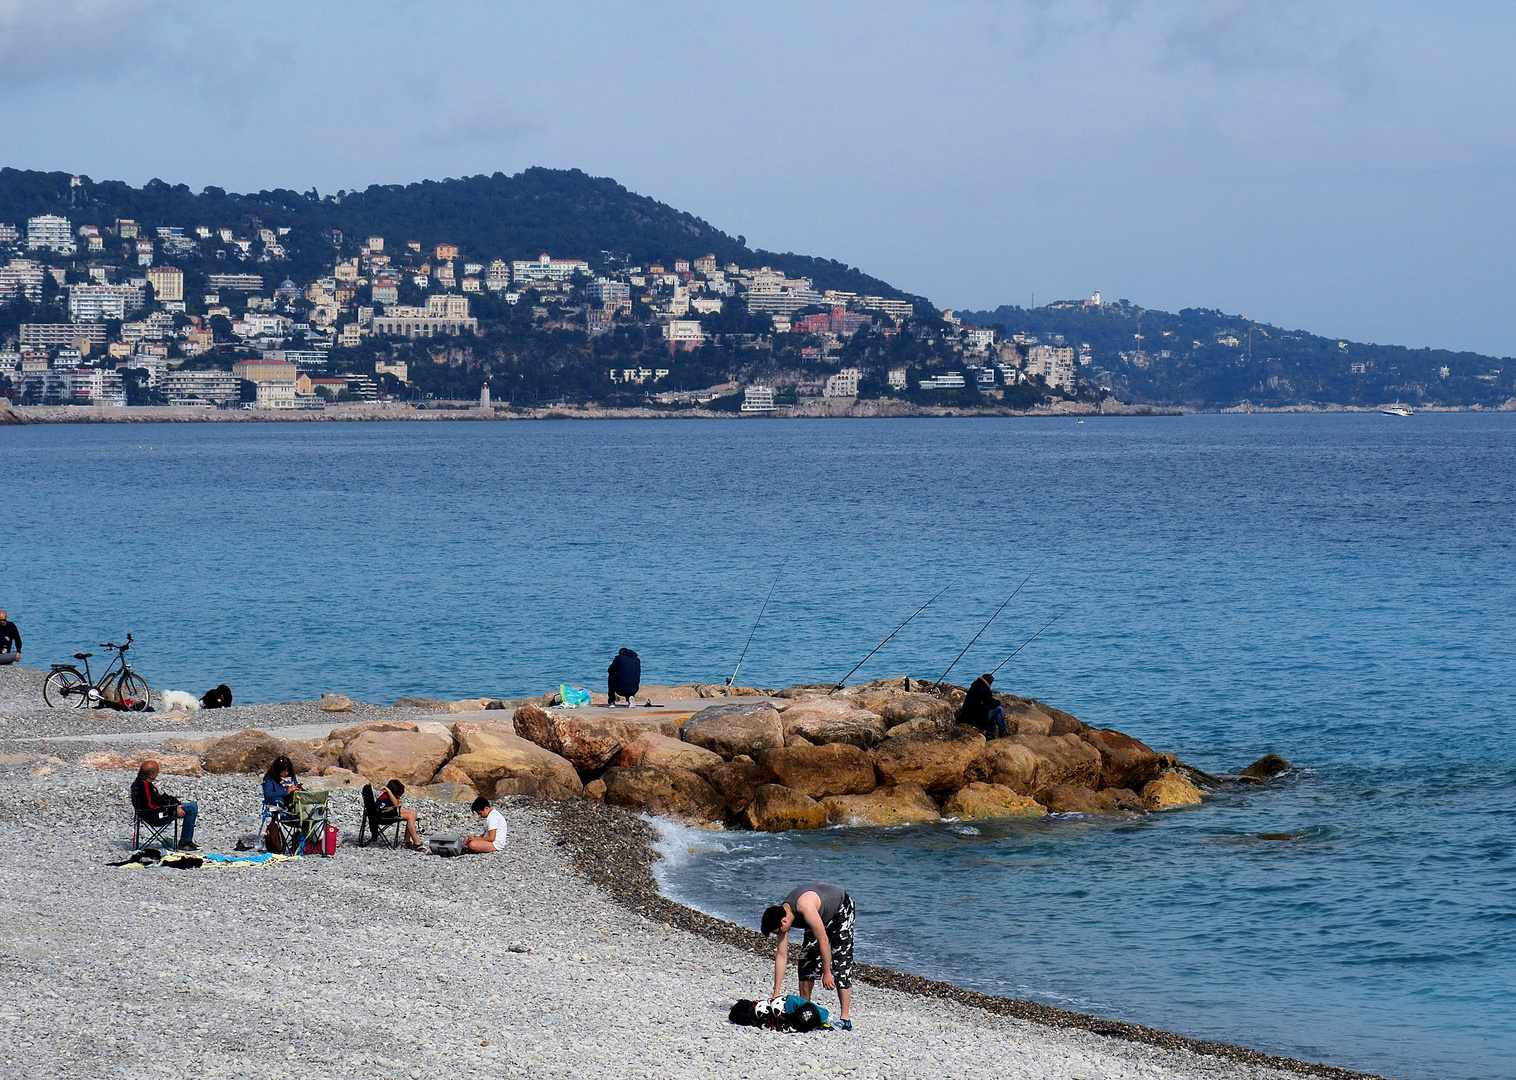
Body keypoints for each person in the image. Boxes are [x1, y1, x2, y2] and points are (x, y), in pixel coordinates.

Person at [762, 882, 855, 1030]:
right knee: (807, 961)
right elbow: (781, 955)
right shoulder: (780, 914)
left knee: (841, 960)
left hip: (840, 909)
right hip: (818, 916)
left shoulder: (804, 907)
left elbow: (824, 940)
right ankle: (805, 1010)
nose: (780, 934)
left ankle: (845, 1018)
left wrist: (827, 972)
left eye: (779, 931)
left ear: (784, 921)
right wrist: (776, 993)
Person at [130, 760, 199, 851]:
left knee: (189, 806)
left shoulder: (141, 783)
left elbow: (160, 799)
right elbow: (150, 806)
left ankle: (186, 841)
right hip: (155, 817)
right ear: (151, 774)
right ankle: (185, 842)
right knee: (192, 808)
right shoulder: (144, 786)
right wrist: (172, 810)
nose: (158, 774)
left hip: (155, 813)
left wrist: (176, 805)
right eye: (157, 771)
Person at [376, 778, 424, 851]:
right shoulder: (384, 799)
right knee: (410, 816)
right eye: (399, 795)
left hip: (390, 812)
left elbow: (394, 805)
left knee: (413, 813)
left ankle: (406, 842)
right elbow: (380, 809)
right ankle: (417, 843)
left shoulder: (389, 796)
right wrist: (394, 805)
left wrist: (394, 806)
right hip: (384, 817)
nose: (399, 797)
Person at [957, 673, 1007, 739]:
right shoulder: (984, 690)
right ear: (990, 683)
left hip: (968, 715)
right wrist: (998, 702)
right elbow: (992, 703)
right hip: (974, 719)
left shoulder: (975, 686)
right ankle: (1003, 733)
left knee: (991, 711)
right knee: (999, 709)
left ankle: (991, 733)